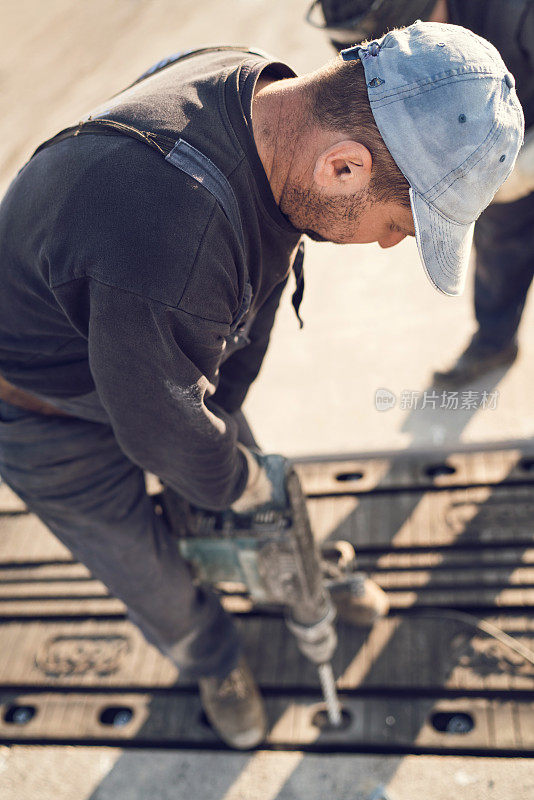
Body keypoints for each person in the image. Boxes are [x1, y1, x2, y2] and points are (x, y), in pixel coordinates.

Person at [0, 22, 523, 749]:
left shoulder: (266, 104)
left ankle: (301, 581)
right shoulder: (170, 238)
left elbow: (266, 268)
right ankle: (213, 658)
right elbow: (156, 429)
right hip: (38, 406)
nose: (386, 242)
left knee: (258, 493)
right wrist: (233, 480)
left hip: (147, 346)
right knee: (146, 566)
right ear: (344, 168)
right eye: (399, 224)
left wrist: (236, 442)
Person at [307, 0, 534, 386]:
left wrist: (526, 166)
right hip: (496, 148)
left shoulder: (515, 10)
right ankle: (494, 343)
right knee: (500, 246)